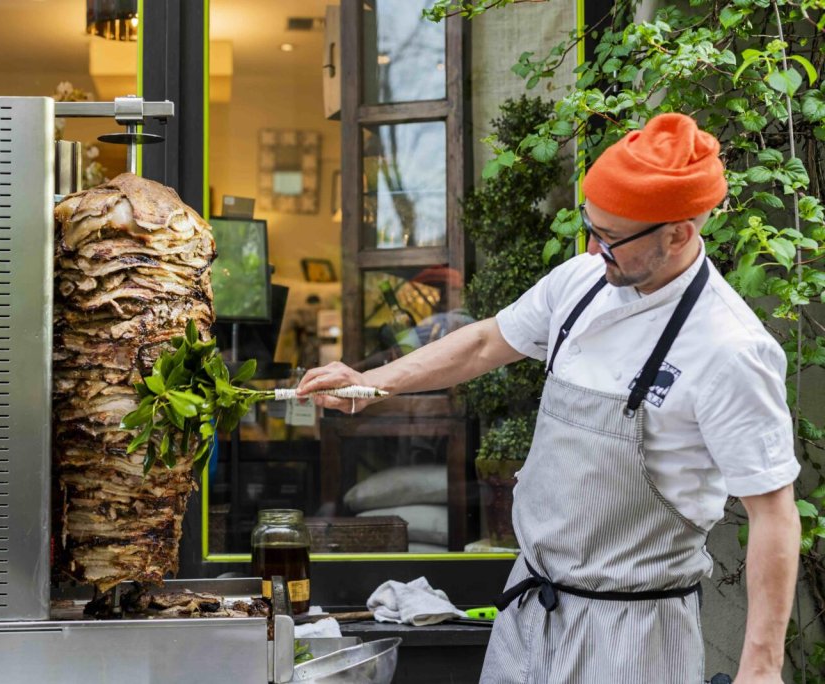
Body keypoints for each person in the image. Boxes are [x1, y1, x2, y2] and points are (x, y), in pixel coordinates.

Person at [296, 113, 800, 684]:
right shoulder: (581, 281)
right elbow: (487, 341)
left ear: (678, 233)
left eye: (609, 237)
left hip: (631, 632)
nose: (592, 246)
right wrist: (374, 383)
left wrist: (761, 667)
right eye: (591, 225)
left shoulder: (730, 349)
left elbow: (774, 515)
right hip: (529, 611)